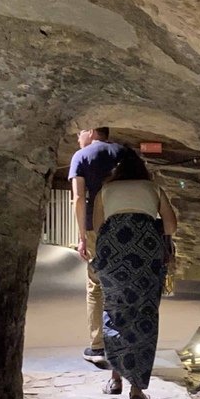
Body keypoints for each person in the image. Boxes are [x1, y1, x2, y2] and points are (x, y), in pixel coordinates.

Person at [92, 149, 177, 399]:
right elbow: (171, 227)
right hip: (146, 256)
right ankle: (137, 391)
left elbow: (98, 227)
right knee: (144, 316)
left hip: (113, 254)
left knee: (115, 311)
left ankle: (115, 378)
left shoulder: (105, 191)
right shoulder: (153, 188)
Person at [69, 126, 124, 364]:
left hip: (95, 226)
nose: (77, 138)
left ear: (90, 131)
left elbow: (79, 198)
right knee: (122, 281)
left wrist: (82, 235)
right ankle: (124, 340)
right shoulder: (123, 152)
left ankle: (98, 346)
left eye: (79, 132)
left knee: (96, 284)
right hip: (123, 224)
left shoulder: (81, 156)